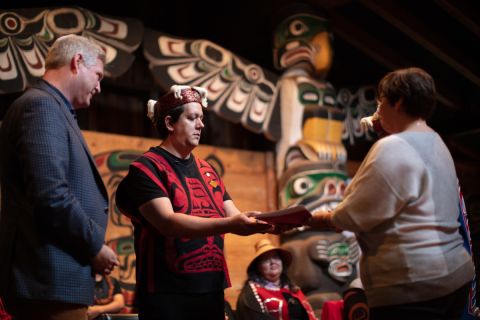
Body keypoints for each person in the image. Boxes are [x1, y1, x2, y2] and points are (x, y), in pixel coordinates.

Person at [307, 67, 474, 319]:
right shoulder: (437, 141)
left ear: (399, 101)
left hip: (413, 283)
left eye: (381, 103)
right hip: (454, 274)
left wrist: (317, 217)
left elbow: (353, 215)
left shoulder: (393, 147)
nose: (377, 111)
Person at [115, 84, 273, 320]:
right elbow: (168, 222)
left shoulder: (208, 171)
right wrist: (231, 224)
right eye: (192, 118)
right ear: (170, 123)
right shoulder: (147, 168)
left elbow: (235, 216)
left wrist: (271, 223)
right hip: (167, 293)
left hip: (211, 289)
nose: (201, 125)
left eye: (201, 118)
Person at [0, 34, 119, 320]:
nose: (99, 87)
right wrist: (95, 247)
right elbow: (50, 194)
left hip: (54, 280)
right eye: (98, 75)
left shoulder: (52, 108)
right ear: (77, 62)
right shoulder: (41, 105)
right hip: (46, 280)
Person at [236, 238, 317, 320]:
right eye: (266, 259)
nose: (272, 262)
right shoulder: (250, 294)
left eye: (275, 257)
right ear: (258, 267)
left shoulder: (292, 288)